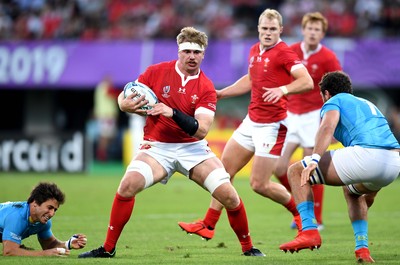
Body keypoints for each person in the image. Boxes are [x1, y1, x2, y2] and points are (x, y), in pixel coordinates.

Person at [78, 26, 265, 258]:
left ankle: (249, 249)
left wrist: (172, 112)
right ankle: (107, 249)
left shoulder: (206, 86)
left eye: (197, 52)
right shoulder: (156, 72)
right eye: (187, 51)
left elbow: (202, 130)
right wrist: (122, 104)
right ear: (179, 52)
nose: (191, 56)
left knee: (229, 195)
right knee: (127, 186)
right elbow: (127, 93)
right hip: (157, 147)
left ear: (203, 55)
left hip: (192, 148)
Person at [178, 8, 313, 240]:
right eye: (264, 29)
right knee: (223, 173)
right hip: (251, 122)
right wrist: (223, 93)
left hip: (273, 126)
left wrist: (283, 89)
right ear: (258, 29)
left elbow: (307, 81)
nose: (268, 33)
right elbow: (251, 80)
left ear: (280, 30)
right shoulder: (254, 50)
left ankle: (302, 216)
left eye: (272, 29)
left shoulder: (285, 53)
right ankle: (208, 225)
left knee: (259, 184)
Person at [279, 71, 400, 263]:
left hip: (367, 155)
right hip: (393, 163)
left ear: (326, 93)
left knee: (295, 170)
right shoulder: (367, 103)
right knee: (353, 193)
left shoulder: (334, 101)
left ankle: (309, 231)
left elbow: (327, 127)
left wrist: (314, 159)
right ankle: (362, 249)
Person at [274, 12, 342, 231]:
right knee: (279, 166)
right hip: (290, 115)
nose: (313, 33)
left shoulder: (328, 57)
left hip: (314, 115)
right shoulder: (290, 51)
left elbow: (338, 91)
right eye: (309, 28)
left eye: (317, 30)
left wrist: (331, 123)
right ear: (303, 30)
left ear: (322, 34)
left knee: (308, 168)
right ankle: (299, 206)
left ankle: (315, 218)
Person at [0, 182, 87, 256]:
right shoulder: (17, 217)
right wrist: (43, 254)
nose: (52, 214)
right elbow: (9, 251)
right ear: (35, 203)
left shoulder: (43, 222)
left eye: (55, 210)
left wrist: (68, 244)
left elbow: (50, 245)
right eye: (49, 208)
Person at [93, 75, 120, 161]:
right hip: (106, 115)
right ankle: (101, 155)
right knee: (105, 136)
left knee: (108, 136)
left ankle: (102, 153)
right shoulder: (104, 87)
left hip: (105, 115)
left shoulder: (99, 88)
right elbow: (113, 94)